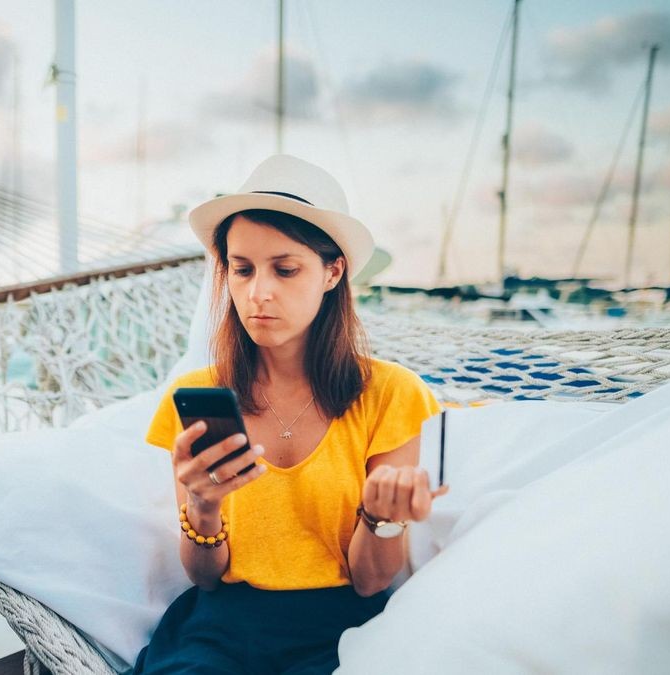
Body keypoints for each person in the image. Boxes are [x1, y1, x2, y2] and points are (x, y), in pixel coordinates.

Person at [136, 155, 445, 674]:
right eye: (242, 269)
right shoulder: (195, 394)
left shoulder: (389, 393)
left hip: (341, 634)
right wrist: (202, 505)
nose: (258, 292)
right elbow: (206, 578)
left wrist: (381, 515)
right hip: (218, 630)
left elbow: (370, 582)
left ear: (332, 271)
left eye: (285, 269)